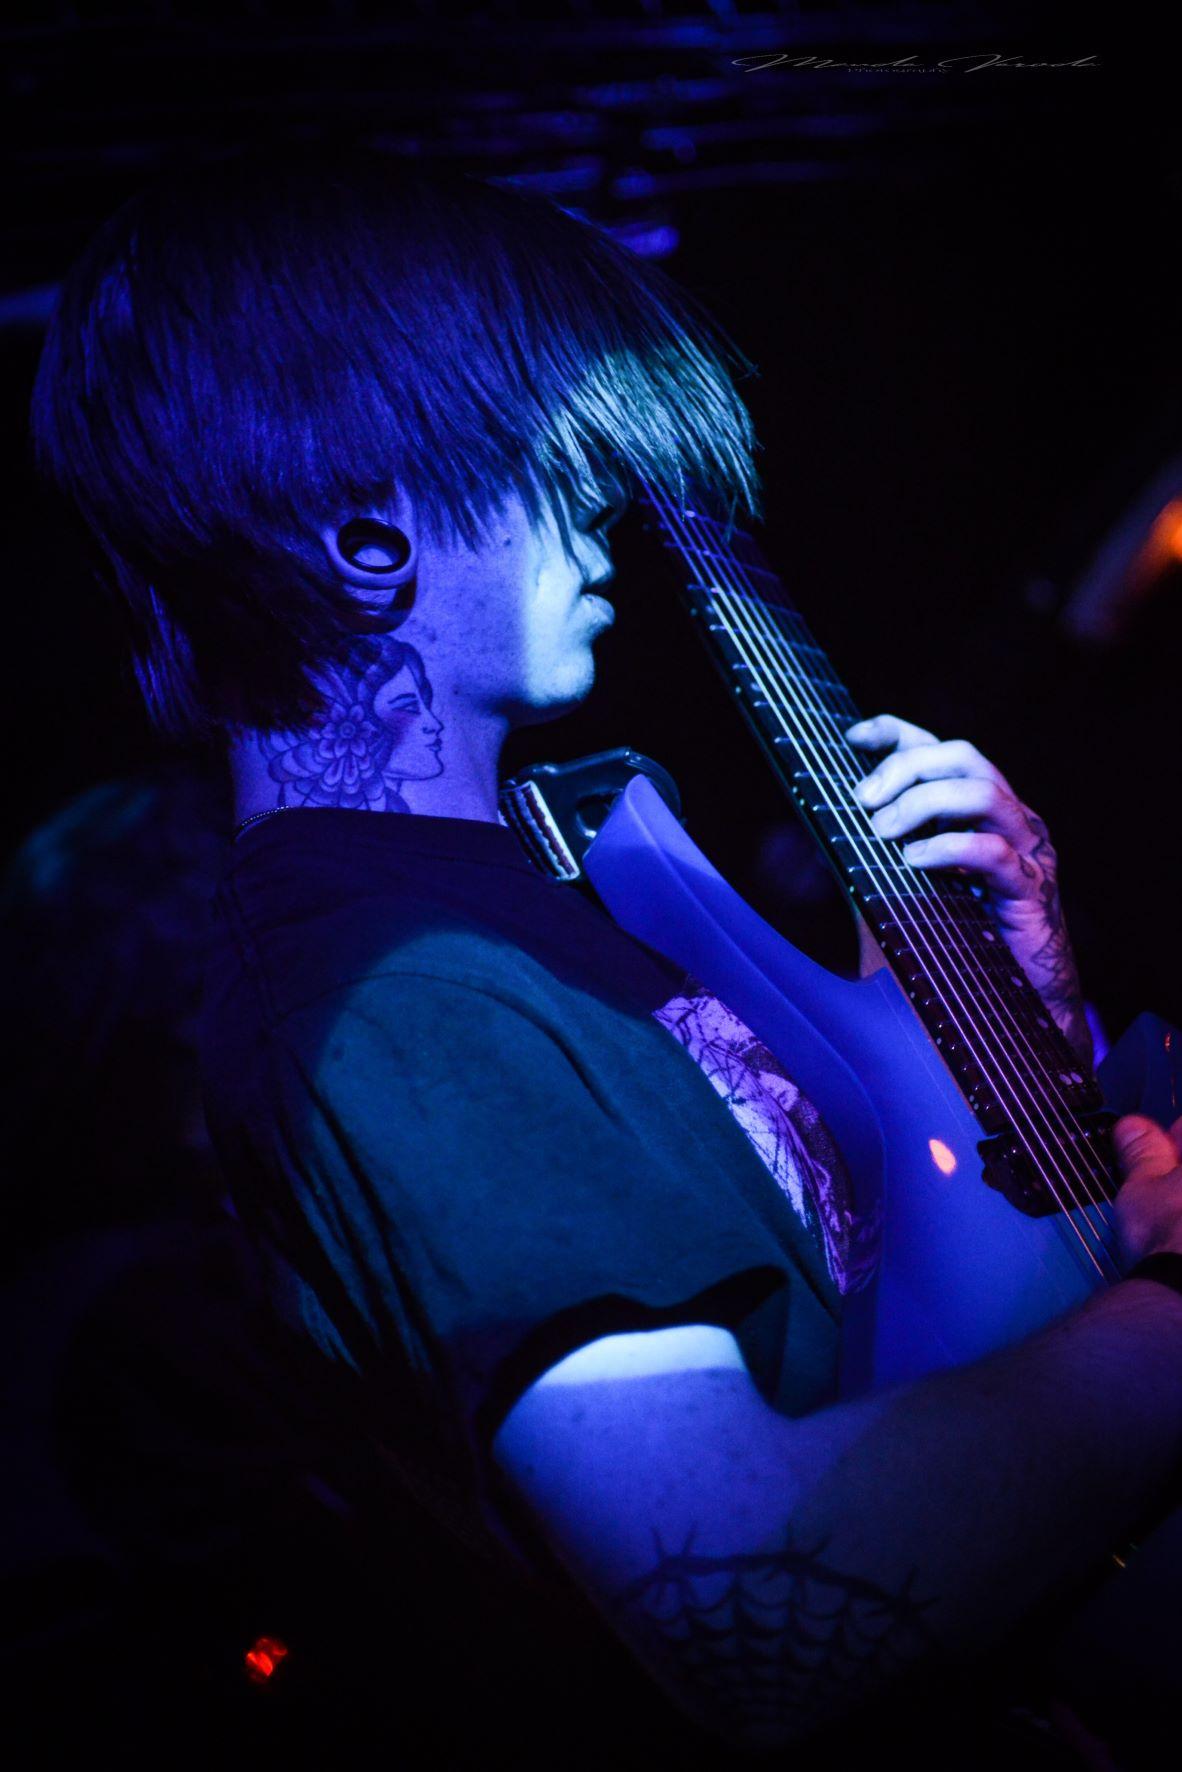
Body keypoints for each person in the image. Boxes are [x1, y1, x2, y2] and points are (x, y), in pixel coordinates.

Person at [28, 144, 1182, 1766]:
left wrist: (1029, 1010)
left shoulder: (544, 889)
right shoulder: (394, 996)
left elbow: (900, 1322)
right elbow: (755, 1613)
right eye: (546, 449)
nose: (602, 506)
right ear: (366, 533)